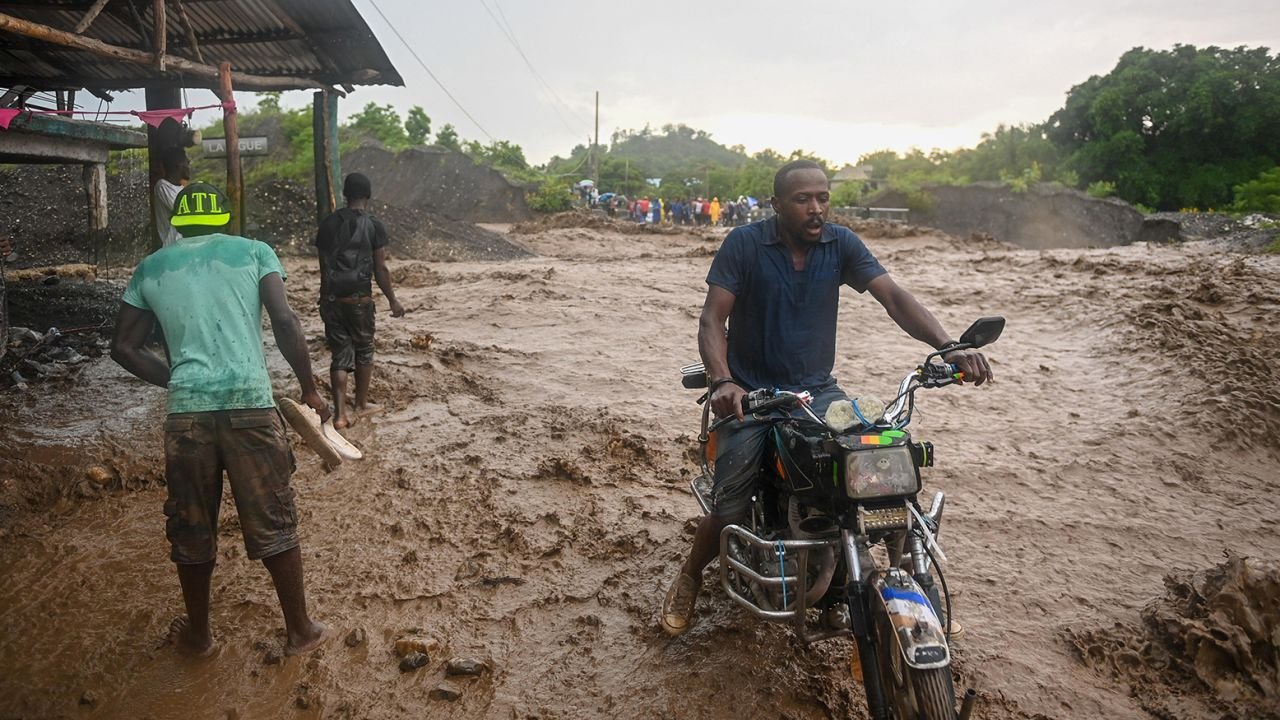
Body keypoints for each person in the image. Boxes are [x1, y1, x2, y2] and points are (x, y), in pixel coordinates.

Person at [660, 159, 993, 638]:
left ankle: (919, 587)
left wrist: (948, 346)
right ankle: (690, 577)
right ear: (777, 205)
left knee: (879, 472)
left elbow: (893, 297)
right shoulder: (745, 245)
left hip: (817, 391)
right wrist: (722, 381)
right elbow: (712, 319)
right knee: (729, 501)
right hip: (751, 395)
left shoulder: (841, 244)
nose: (816, 209)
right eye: (803, 200)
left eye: (823, 198)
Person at [111, 182, 331, 657]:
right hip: (250, 403)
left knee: (191, 525)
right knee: (274, 518)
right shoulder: (253, 252)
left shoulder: (150, 266)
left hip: (187, 414)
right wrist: (310, 388)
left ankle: (199, 637)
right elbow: (286, 321)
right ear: (223, 217)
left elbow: (123, 347)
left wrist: (176, 379)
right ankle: (300, 631)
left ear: (178, 221)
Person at [314, 172, 405, 429]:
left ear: (345, 194)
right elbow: (380, 268)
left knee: (340, 354)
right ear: (367, 195)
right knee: (364, 350)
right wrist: (393, 300)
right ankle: (361, 405)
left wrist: (325, 300)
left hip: (332, 299)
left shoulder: (328, 224)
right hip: (359, 300)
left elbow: (323, 268)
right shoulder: (374, 225)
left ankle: (341, 415)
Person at [153, 147, 189, 248]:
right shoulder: (162, 186)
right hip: (172, 247)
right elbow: (183, 209)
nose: (188, 166)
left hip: (185, 246)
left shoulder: (183, 188)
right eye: (186, 162)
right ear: (178, 165)